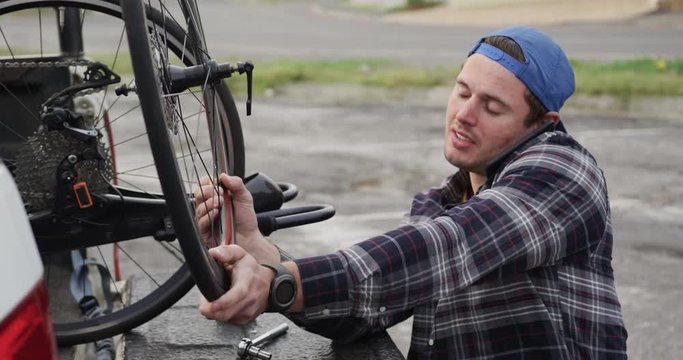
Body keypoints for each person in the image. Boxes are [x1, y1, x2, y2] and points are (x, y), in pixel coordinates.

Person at [194, 26, 628, 359]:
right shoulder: (439, 204)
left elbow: (445, 247)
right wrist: (262, 253)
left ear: (542, 123)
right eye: (462, 92)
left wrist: (279, 282)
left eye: (492, 107)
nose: (464, 115)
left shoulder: (563, 171)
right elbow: (369, 305)